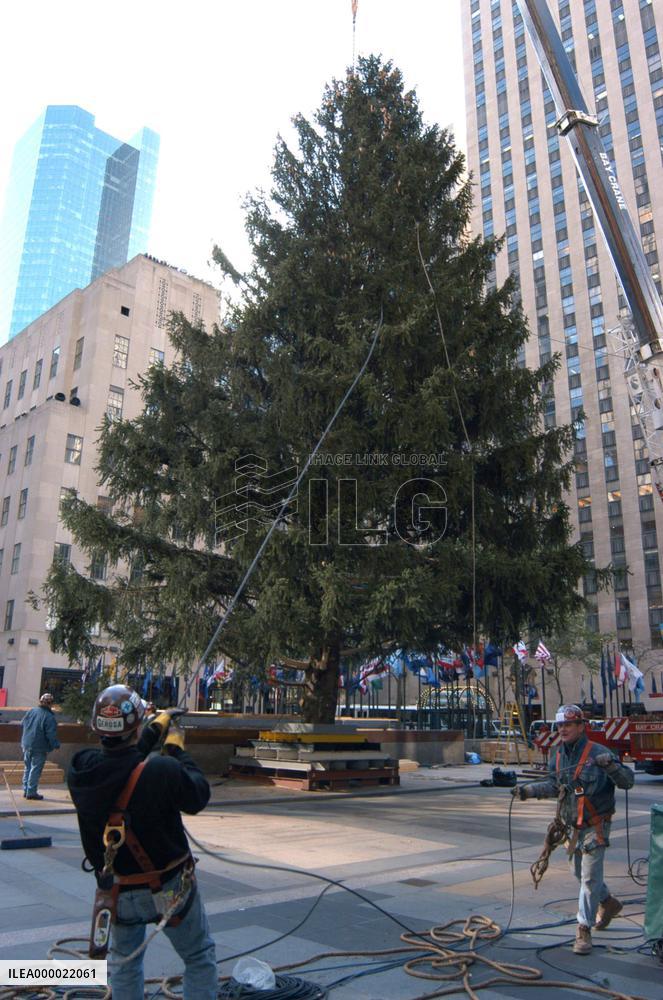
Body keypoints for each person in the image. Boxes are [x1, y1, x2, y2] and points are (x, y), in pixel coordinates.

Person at [67, 685, 217, 999]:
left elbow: (122, 762)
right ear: (136, 727)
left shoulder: (82, 770)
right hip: (168, 886)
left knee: (124, 964)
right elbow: (198, 795)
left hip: (116, 890)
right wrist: (177, 750)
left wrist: (155, 726)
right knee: (198, 957)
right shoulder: (163, 770)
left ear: (98, 729)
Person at [511, 704, 634, 955]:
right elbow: (554, 785)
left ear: (581, 726)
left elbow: (628, 782)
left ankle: (583, 929)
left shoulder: (600, 752)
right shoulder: (558, 754)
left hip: (595, 825)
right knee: (579, 873)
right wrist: (528, 791)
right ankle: (608, 903)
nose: (563, 730)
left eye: (568, 725)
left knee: (589, 877)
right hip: (571, 826)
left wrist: (610, 766)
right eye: (560, 725)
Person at [20, 692, 60, 799]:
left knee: (27, 767)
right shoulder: (49, 717)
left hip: (26, 744)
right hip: (39, 747)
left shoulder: (31, 711)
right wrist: (56, 745)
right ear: (51, 704)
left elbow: (22, 724)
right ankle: (31, 792)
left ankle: (26, 790)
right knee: (35, 769)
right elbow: (51, 735)